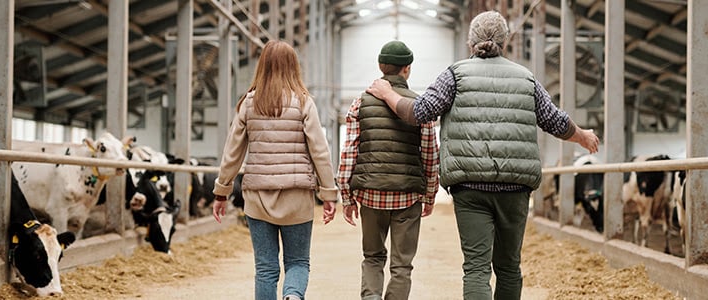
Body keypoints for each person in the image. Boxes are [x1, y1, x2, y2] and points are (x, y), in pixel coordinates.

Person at [366, 11, 600, 300]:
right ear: (504, 41)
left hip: (470, 186)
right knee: (509, 267)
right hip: (515, 187)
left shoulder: (455, 75)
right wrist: (583, 136)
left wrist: (388, 93)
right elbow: (555, 121)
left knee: (476, 269)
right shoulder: (526, 78)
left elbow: (419, 113)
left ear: (470, 41)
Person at [212, 40, 338, 300]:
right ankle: (292, 296)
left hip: (258, 199)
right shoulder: (304, 102)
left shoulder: (248, 103)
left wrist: (221, 192)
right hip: (297, 198)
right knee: (298, 262)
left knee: (266, 269)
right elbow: (319, 150)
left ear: (262, 66)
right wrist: (329, 194)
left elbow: (232, 151)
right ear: (294, 67)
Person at [337, 40, 440, 300]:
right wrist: (430, 194)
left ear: (381, 67)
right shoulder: (420, 105)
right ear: (407, 69)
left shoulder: (361, 102)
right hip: (407, 197)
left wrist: (347, 196)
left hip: (370, 195)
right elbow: (430, 153)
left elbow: (349, 152)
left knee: (372, 257)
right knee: (402, 265)